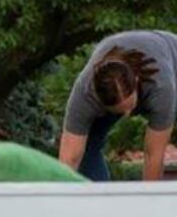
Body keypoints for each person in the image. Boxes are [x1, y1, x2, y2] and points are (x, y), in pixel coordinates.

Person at [58, 31, 177, 181]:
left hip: (172, 57)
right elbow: (68, 160)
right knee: (88, 146)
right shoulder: (84, 95)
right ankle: (100, 199)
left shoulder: (161, 86)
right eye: (120, 110)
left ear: (136, 80)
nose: (128, 114)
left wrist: (148, 203)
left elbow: (153, 154)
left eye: (130, 105)